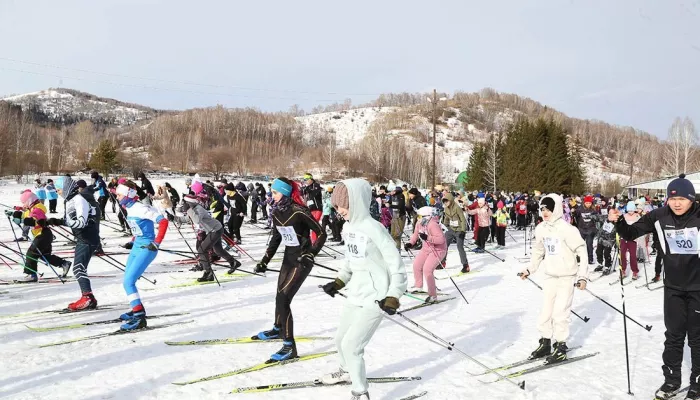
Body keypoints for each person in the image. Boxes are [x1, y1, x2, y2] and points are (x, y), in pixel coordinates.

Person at [610, 174, 700, 399]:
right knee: (673, 336)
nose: (677, 203)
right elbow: (631, 233)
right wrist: (618, 221)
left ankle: (697, 382)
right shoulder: (658, 216)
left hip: (699, 288)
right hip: (673, 288)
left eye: (682, 198)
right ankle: (671, 381)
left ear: (692, 199)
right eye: (672, 198)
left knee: (697, 337)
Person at [320, 179, 407, 400]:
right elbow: (350, 261)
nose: (338, 211)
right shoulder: (349, 227)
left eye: (342, 205)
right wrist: (339, 281)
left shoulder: (374, 228)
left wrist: (393, 295)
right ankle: (347, 371)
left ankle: (360, 392)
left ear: (356, 202)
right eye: (337, 206)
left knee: (352, 345)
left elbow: (396, 264)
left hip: (377, 297)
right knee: (340, 339)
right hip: (356, 293)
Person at [253, 177, 326, 361]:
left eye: (275, 192)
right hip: (288, 258)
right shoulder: (277, 212)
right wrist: (264, 261)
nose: (272, 195)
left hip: (302, 260)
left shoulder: (299, 211)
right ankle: (278, 328)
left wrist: (312, 253)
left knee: (284, 298)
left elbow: (321, 233)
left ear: (284, 192)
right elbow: (276, 239)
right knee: (279, 295)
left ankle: (289, 347)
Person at [520, 193, 588, 365]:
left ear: (556, 209)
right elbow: (538, 252)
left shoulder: (568, 229)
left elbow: (582, 251)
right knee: (546, 312)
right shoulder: (541, 228)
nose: (545, 212)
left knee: (560, 313)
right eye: (542, 209)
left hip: (566, 276)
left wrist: (582, 276)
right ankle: (545, 342)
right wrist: (530, 269)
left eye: (548, 209)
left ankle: (561, 346)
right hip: (550, 275)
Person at [115, 182, 168, 330]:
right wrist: (132, 241)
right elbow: (139, 229)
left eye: (119, 195)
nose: (117, 197)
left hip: (147, 248)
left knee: (128, 282)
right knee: (127, 279)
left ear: (127, 195)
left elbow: (163, 222)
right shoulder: (130, 208)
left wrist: (157, 242)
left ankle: (139, 318)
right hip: (137, 246)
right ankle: (137, 309)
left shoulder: (140, 208)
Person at [47, 176, 102, 311]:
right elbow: (69, 220)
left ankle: (87, 298)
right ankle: (89, 297)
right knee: (79, 268)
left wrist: (63, 222)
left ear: (66, 188)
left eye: (59, 189)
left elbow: (81, 222)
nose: (57, 192)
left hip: (88, 238)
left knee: (78, 268)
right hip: (82, 238)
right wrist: (55, 221)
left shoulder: (79, 200)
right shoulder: (70, 200)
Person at [168, 194, 240, 280]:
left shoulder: (199, 209)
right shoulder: (193, 209)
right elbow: (186, 219)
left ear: (190, 203)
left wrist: (188, 210)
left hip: (215, 229)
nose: (184, 205)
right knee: (218, 250)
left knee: (202, 250)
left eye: (186, 203)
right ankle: (234, 262)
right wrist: (174, 218)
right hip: (213, 230)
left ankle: (208, 273)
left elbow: (197, 220)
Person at [405, 206, 446, 302]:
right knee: (416, 265)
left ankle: (433, 296)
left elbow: (441, 240)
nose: (418, 218)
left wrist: (428, 238)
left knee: (427, 270)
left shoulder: (433, 225)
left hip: (438, 250)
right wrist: (410, 243)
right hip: (426, 248)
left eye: (420, 216)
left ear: (427, 216)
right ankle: (418, 286)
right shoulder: (420, 223)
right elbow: (415, 235)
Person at [19, 208, 71, 282]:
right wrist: (14, 214)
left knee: (31, 253)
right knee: (44, 255)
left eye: (24, 202)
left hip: (42, 235)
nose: (24, 205)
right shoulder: (31, 209)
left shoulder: (36, 208)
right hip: (46, 234)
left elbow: (36, 221)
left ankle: (31, 274)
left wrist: (24, 221)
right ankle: (63, 263)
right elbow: (26, 215)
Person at [441, 193, 469, 273]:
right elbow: (446, 218)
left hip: (459, 229)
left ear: (451, 200)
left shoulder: (457, 208)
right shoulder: (446, 209)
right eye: (444, 201)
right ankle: (442, 262)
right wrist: (444, 226)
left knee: (460, 247)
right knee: (444, 245)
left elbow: (462, 219)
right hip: (450, 229)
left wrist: (463, 231)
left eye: (447, 201)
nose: (445, 203)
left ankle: (465, 265)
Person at [620, 201, 641, 280]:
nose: (630, 212)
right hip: (624, 238)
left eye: (632, 210)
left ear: (634, 210)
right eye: (629, 211)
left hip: (633, 239)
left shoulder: (637, 216)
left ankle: (635, 271)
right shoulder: (624, 216)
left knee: (633, 255)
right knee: (622, 254)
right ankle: (623, 270)